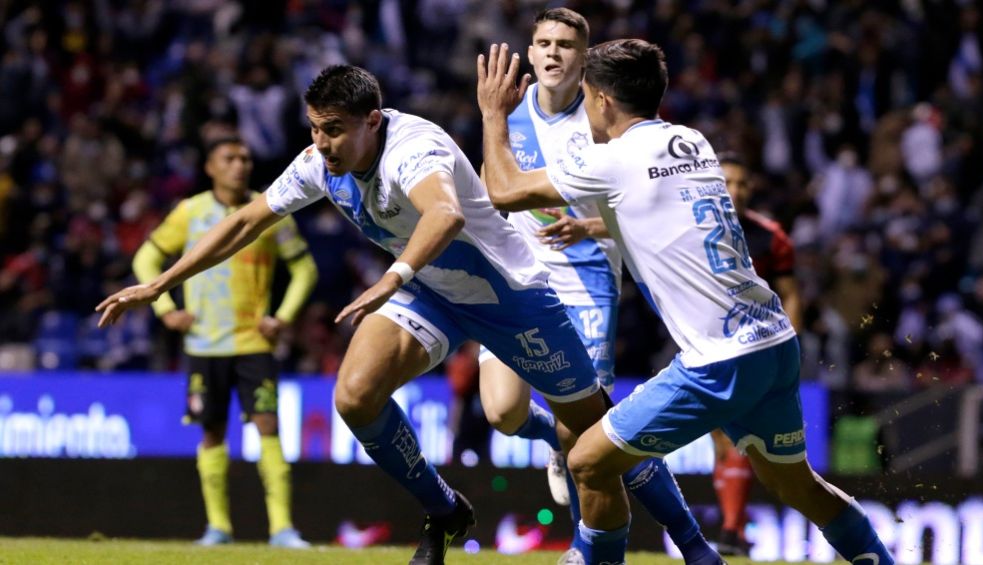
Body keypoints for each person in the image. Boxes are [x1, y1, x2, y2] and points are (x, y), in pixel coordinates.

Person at [99, 64, 673, 565]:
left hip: (510, 297)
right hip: (433, 291)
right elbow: (248, 221)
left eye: (334, 130)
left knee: (593, 434)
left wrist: (391, 277)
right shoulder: (319, 163)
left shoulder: (413, 149)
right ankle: (443, 508)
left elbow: (444, 215)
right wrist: (161, 283)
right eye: (315, 128)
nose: (321, 144)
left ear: (372, 121)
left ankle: (687, 545)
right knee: (354, 395)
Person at [477, 39, 895, 565]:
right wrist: (590, 225)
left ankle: (593, 558)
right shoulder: (691, 143)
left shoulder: (611, 160)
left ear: (602, 99)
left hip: (719, 361)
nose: (582, 107)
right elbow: (656, 212)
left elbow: (503, 189)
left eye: (585, 95)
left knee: (587, 462)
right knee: (799, 487)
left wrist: (495, 113)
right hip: (773, 342)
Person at [478, 9, 720, 565]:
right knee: (502, 414)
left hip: (584, 282)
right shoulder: (508, 112)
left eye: (565, 44)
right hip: (516, 279)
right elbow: (491, 188)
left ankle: (680, 546)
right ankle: (552, 447)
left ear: (585, 60)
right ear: (531, 51)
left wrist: (588, 225)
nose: (553, 53)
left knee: (588, 434)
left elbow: (640, 203)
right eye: (543, 42)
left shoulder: (602, 120)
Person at [131, 136, 317, 548]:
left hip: (254, 343)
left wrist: (282, 318)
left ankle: (282, 529)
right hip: (203, 344)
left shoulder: (273, 209)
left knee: (268, 426)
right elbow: (144, 258)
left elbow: (305, 270)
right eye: (229, 158)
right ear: (210, 168)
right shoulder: (190, 212)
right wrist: (166, 311)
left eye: (246, 157)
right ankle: (218, 528)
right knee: (212, 432)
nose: (240, 165)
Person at [710, 151, 803, 556]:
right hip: (703, 340)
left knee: (739, 439)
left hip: (754, 345)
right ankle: (733, 527)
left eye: (742, 183)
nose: (735, 191)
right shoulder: (693, 229)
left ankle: (731, 530)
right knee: (720, 440)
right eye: (727, 182)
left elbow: (792, 295)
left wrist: (787, 345)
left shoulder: (771, 236)